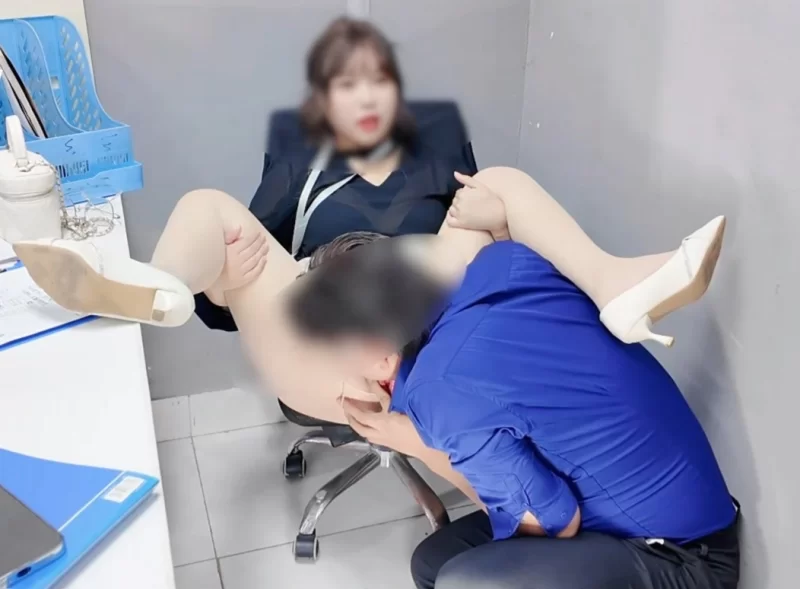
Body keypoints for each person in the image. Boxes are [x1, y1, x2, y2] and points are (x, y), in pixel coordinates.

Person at [12, 167, 725, 425]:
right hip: (338, 319)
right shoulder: (463, 246)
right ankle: (164, 282)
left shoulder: (464, 253)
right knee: (217, 217)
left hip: (361, 353)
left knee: (213, 217)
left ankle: (166, 279)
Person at [282, 195, 739, 588]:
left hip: (680, 554)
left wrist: (415, 441)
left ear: (380, 353)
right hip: (654, 504)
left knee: (462, 582)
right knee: (432, 564)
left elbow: (556, 523)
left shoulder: (439, 390)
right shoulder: (501, 262)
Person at [193, 16, 479, 333]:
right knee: (203, 209)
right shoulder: (297, 169)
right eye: (347, 85)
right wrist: (222, 286)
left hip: (432, 331)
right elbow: (247, 268)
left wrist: (493, 215)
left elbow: (480, 247)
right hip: (331, 334)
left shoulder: (439, 155)